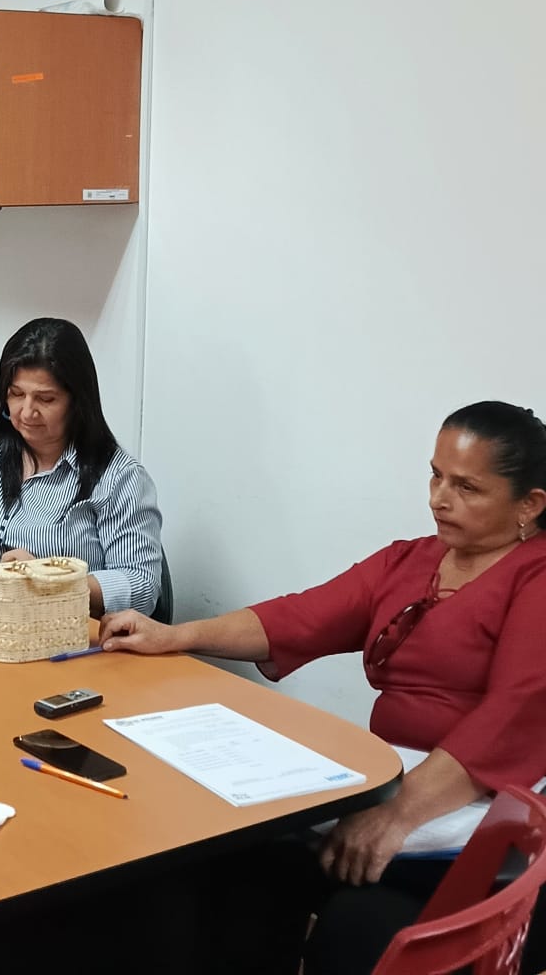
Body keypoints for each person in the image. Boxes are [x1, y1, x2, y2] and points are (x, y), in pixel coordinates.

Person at [99, 399, 546, 975]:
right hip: (398, 780)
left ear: (530, 505)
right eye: (435, 476)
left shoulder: (535, 577)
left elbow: (515, 713)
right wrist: (174, 635)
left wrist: (396, 814)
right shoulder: (411, 561)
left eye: (467, 487)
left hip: (476, 810)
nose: (439, 497)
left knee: (351, 923)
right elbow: (301, 617)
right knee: (234, 865)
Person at [0, 317, 162, 616]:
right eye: (16, 394)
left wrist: (47, 581)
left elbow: (141, 585)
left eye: (46, 399)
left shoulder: (120, 477)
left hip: (52, 628)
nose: (26, 413)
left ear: (78, 402)